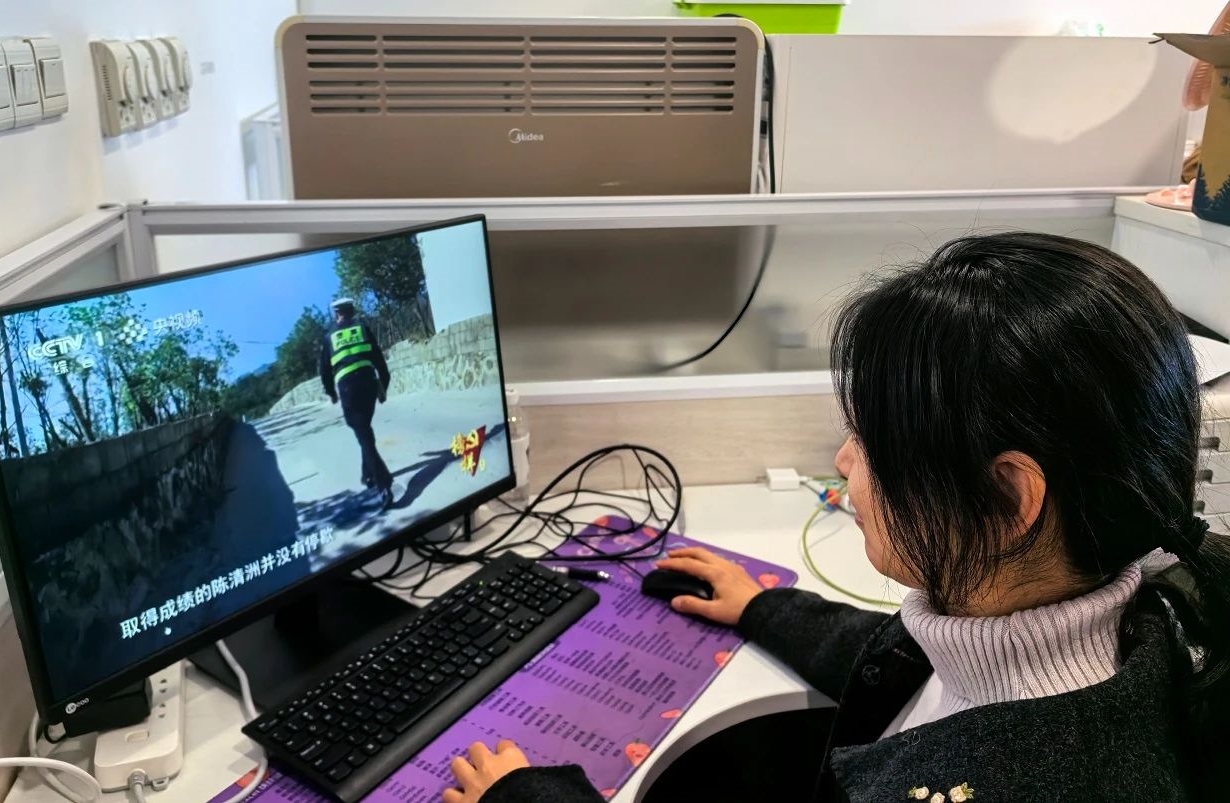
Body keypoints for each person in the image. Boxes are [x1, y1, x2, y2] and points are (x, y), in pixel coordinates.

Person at [440, 233, 1230, 802]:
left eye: (873, 441)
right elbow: (914, 663)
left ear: (1008, 500)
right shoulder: (1128, 613)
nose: (846, 460)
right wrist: (765, 606)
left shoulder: (1040, 777)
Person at [319, 298, 394, 505]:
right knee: (364, 430)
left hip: (348, 388)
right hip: (368, 383)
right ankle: (367, 475)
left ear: (337, 314)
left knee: (364, 436)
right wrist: (383, 384)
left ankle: (384, 485)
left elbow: (324, 370)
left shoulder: (329, 336)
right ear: (352, 311)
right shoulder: (362, 328)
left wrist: (331, 393)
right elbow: (378, 357)